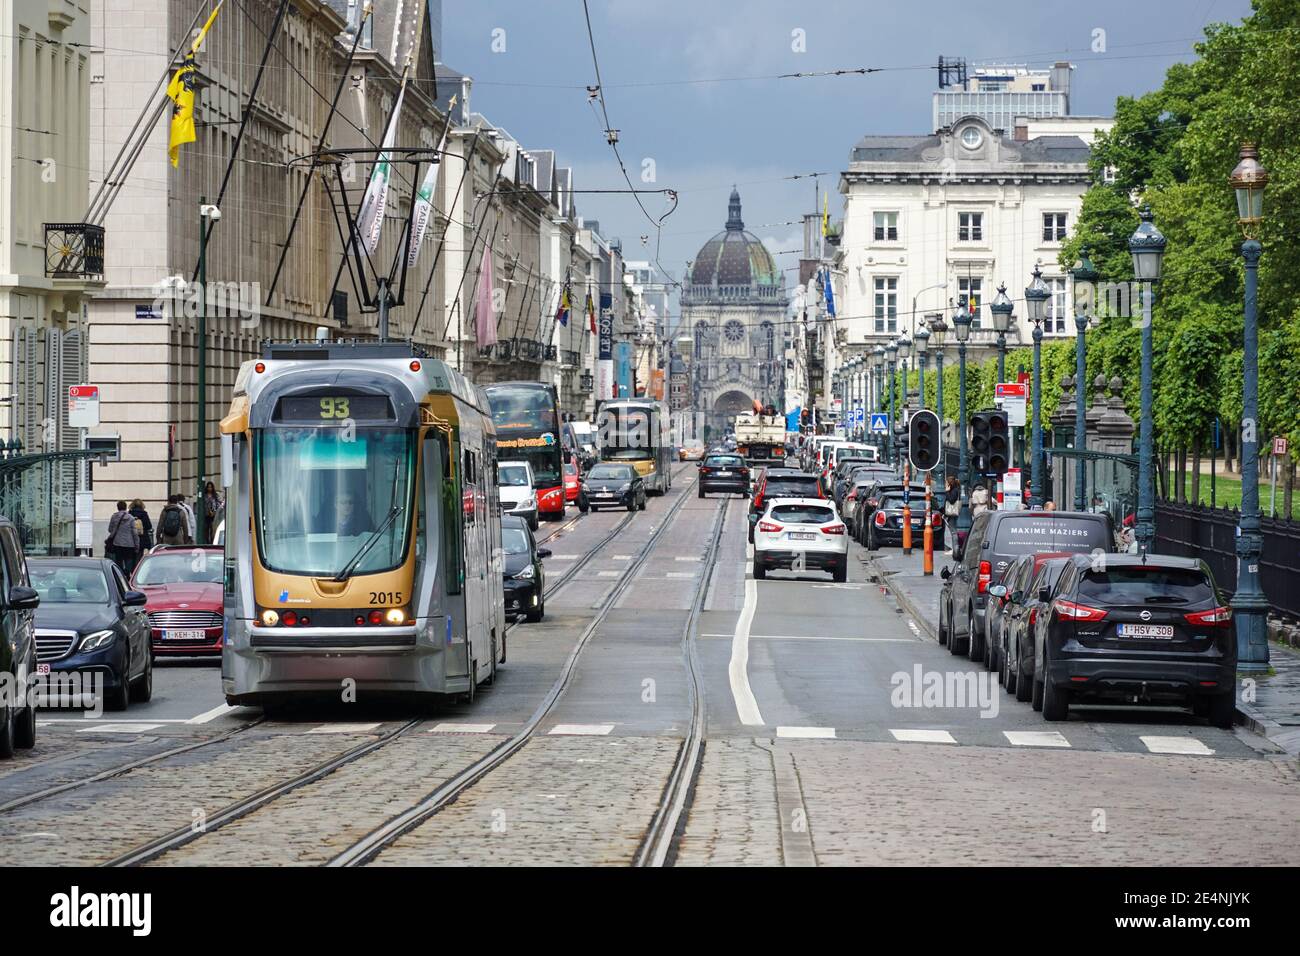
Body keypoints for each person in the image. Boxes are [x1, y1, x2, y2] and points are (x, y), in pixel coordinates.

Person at [105, 500, 140, 575]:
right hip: (129, 544)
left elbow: (110, 529)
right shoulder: (131, 518)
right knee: (129, 560)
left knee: (119, 561)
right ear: (126, 507)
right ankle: (127, 574)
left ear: (117, 507)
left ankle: (120, 575)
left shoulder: (114, 516)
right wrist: (137, 545)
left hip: (117, 543)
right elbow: (134, 533)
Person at [129, 498, 154, 562]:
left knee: (132, 556)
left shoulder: (130, 514)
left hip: (132, 537)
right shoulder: (144, 514)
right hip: (142, 538)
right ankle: (138, 568)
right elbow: (149, 526)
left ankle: (132, 569)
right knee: (139, 555)